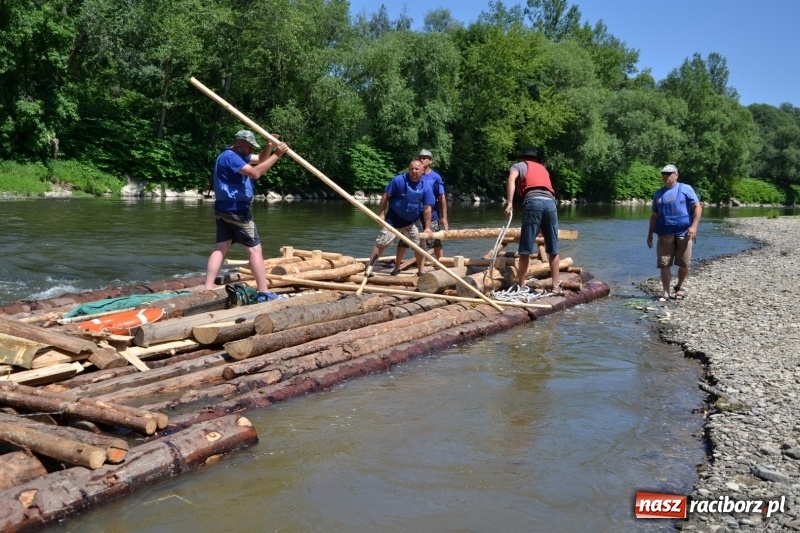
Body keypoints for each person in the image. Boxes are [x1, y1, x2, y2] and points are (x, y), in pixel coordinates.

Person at [204, 130, 289, 302]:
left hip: (223, 207)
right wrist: (278, 155)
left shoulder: (235, 155)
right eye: (249, 146)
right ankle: (264, 292)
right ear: (239, 143)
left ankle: (208, 287)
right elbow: (256, 173)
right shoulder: (231, 157)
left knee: (222, 246)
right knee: (254, 249)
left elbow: (261, 159)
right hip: (236, 209)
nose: (251, 150)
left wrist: (270, 145)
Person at [504, 147, 561, 293]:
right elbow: (548, 190)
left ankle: (521, 285)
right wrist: (543, 223)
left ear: (523, 157)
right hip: (551, 204)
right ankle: (555, 286)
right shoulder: (543, 169)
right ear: (536, 159)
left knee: (525, 248)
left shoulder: (518, 166)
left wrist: (509, 203)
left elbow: (511, 180)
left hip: (533, 202)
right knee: (553, 249)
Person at [369, 159, 434, 276]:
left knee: (420, 245)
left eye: (417, 169)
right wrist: (381, 213)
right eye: (411, 168)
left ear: (423, 171)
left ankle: (421, 271)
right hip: (393, 219)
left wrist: (428, 227)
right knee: (381, 243)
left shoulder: (426, 187)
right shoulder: (398, 180)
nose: (413, 171)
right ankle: (369, 268)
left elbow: (427, 208)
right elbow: (386, 196)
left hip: (412, 220)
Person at [646, 164, 702, 301]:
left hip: (685, 233)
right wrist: (649, 234)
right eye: (664, 174)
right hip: (664, 234)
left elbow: (697, 207)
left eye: (669, 173)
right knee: (664, 264)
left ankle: (679, 286)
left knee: (684, 264)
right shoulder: (658, 194)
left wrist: (694, 226)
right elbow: (654, 216)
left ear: (676, 175)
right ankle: (665, 292)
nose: (666, 176)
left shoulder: (686, 189)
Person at [394, 149, 449, 271]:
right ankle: (398, 266)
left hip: (431, 213)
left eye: (425, 157)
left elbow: (441, 197)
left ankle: (442, 266)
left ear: (431, 161)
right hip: (412, 215)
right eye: (420, 157)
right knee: (404, 240)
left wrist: (444, 217)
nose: (422, 159)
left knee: (435, 241)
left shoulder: (435, 177)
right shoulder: (412, 175)